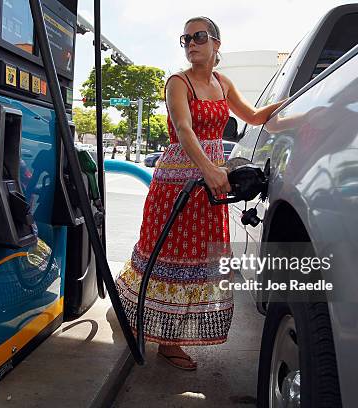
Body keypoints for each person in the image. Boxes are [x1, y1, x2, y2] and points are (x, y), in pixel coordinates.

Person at [115, 16, 285, 370]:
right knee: (169, 257)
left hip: (211, 188)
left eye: (199, 36)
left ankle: (168, 330)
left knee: (198, 261)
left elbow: (253, 117)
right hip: (178, 185)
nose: (191, 43)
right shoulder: (178, 82)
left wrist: (295, 104)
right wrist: (209, 169)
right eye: (186, 38)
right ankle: (167, 340)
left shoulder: (223, 83)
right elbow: (183, 128)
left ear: (216, 44)